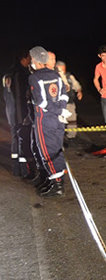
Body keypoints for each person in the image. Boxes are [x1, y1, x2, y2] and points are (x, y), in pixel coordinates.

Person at [28, 46, 71, 197]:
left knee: (47, 151)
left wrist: (59, 110)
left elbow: (41, 102)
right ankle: (54, 180)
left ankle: (58, 185)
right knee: (56, 149)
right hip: (58, 119)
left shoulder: (35, 77)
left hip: (45, 120)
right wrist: (62, 110)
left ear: (34, 60)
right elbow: (64, 94)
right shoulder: (55, 74)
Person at [2, 50, 33, 177]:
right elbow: (19, 95)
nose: (30, 62)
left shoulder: (8, 73)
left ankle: (16, 168)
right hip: (19, 110)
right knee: (22, 138)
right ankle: (23, 169)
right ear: (23, 59)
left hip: (10, 111)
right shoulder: (19, 74)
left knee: (15, 137)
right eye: (29, 59)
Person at [56, 61, 82, 139]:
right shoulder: (53, 78)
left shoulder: (69, 77)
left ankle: (71, 137)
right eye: (60, 70)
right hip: (58, 105)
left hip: (69, 103)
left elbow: (76, 85)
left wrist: (79, 92)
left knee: (72, 120)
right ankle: (59, 137)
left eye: (63, 70)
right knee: (58, 122)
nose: (62, 72)